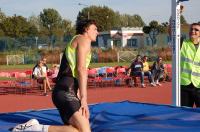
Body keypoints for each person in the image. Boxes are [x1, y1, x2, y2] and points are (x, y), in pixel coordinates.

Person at [12, 19, 99, 132]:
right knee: (85, 130)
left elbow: (75, 71)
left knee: (78, 130)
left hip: (65, 91)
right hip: (65, 91)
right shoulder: (83, 39)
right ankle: (35, 128)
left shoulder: (77, 40)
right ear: (86, 29)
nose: (97, 32)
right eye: (95, 29)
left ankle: (37, 127)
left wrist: (78, 93)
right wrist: (84, 99)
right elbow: (81, 69)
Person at [180, 23, 200, 107]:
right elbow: (172, 33)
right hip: (185, 85)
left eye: (196, 30)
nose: (193, 31)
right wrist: (176, 14)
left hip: (199, 86)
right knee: (184, 113)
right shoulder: (183, 43)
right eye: (191, 29)